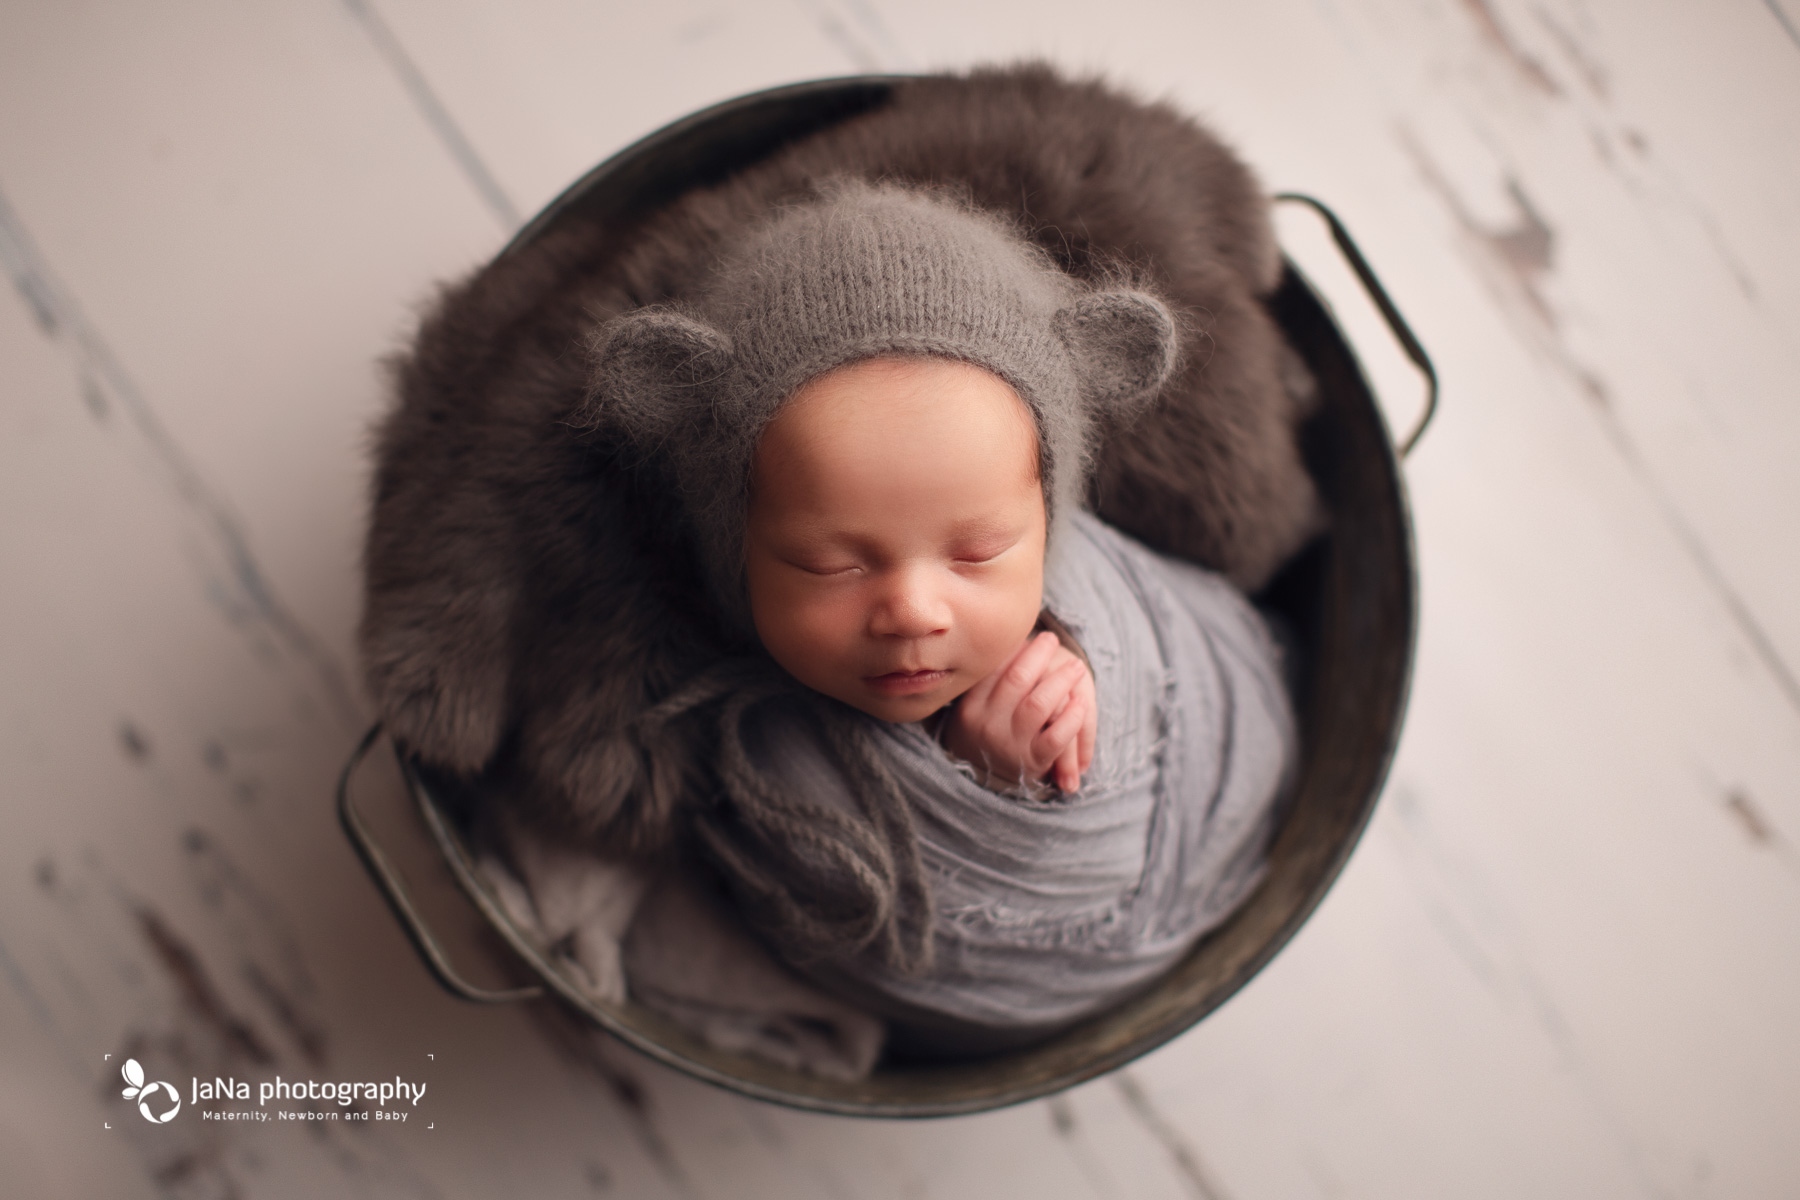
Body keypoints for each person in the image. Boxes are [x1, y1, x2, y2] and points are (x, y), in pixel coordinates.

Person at [581, 180, 1298, 1052]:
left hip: (1212, 840)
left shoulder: (1113, 588)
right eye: (829, 563)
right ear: (736, 548)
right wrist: (979, 781)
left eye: (979, 552)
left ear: (1051, 518)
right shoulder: (762, 759)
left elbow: (1211, 650)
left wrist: (1072, 748)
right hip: (997, 1005)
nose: (913, 611)